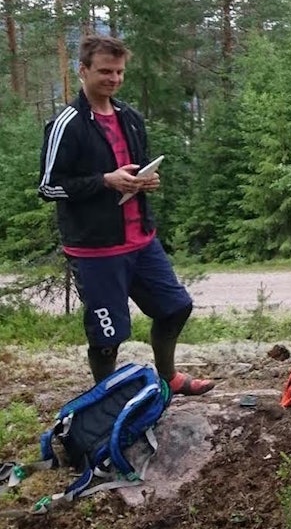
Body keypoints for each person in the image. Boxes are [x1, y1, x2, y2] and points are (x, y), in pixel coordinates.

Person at [38, 34, 215, 395]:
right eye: (105, 71)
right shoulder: (67, 124)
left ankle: (168, 378)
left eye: (119, 72)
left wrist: (142, 183)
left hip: (140, 240)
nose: (114, 79)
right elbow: (48, 187)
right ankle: (106, 402)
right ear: (83, 70)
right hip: (96, 250)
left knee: (175, 308)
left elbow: (131, 173)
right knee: (108, 335)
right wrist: (105, 181)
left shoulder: (130, 118)